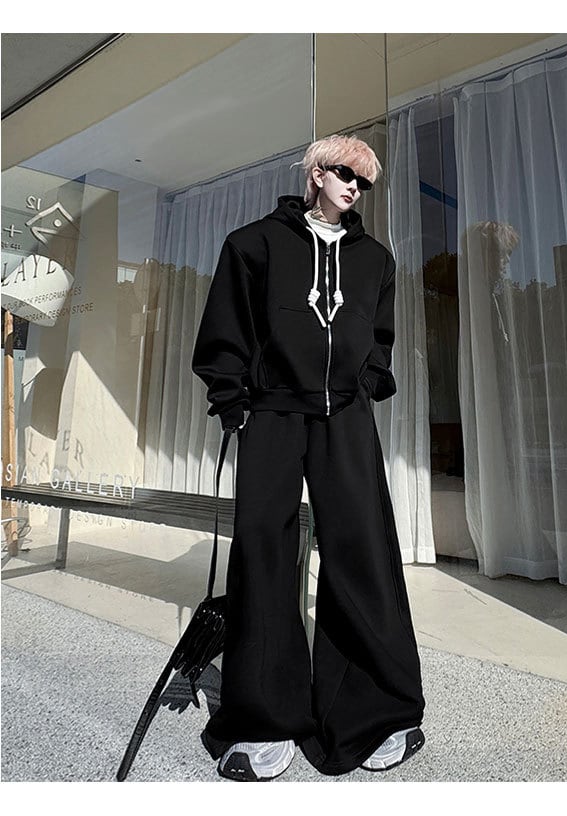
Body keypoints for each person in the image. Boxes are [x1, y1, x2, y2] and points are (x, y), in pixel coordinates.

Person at [191, 134, 425, 781]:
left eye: (365, 182)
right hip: (271, 411)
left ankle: (375, 710)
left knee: (362, 550)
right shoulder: (253, 244)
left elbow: (380, 337)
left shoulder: (376, 259)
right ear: (318, 173)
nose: (356, 187)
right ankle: (266, 717)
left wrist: (369, 380)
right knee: (263, 549)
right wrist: (232, 399)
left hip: (344, 415)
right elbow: (226, 329)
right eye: (347, 174)